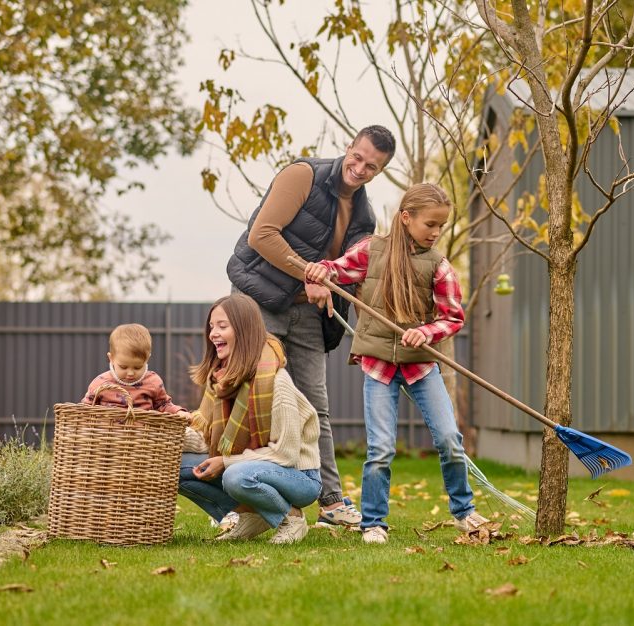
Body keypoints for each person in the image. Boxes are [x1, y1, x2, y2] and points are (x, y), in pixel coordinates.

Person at [226, 124, 396, 527]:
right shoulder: (302, 175)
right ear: (348, 146)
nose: (360, 169)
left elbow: (350, 275)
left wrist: (371, 332)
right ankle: (236, 506)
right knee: (252, 396)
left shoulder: (364, 216)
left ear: (381, 170)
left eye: (371, 167)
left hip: (307, 310)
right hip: (258, 298)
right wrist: (310, 273)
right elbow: (261, 235)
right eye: (357, 158)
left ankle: (331, 500)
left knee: (315, 404)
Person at [303, 183, 488, 544]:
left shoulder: (439, 266)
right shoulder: (372, 251)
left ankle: (464, 512)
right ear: (406, 218)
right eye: (429, 224)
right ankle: (373, 522)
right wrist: (320, 271)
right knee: (381, 448)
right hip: (379, 365)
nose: (435, 233)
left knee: (450, 439)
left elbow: (453, 317)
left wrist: (427, 332)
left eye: (441, 227)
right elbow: (336, 270)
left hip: (420, 365)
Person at [178, 294, 322, 544]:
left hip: (299, 476)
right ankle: (253, 515)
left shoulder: (277, 382)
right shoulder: (221, 381)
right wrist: (171, 431)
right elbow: (207, 441)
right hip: (251, 465)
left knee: (236, 476)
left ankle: (291, 518)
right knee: (175, 466)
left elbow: (285, 455)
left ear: (244, 331)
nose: (213, 333)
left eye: (222, 326)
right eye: (212, 326)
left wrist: (226, 461)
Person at [81, 323, 185, 414]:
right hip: (107, 434)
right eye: (123, 367)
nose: (130, 373)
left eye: (137, 367)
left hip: (143, 434)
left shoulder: (153, 382)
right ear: (111, 358)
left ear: (147, 359)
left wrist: (178, 412)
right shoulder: (101, 383)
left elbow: (164, 404)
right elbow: (85, 408)